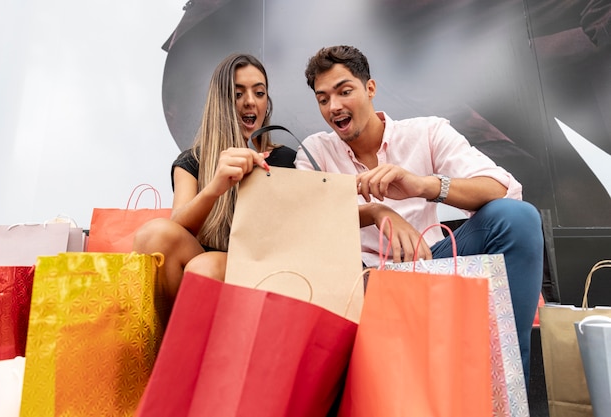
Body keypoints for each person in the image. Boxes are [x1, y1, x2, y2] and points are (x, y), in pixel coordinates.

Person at [295, 44, 543, 385]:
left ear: (370, 88)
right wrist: (376, 211)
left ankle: (508, 388)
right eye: (323, 99)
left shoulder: (427, 132)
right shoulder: (314, 153)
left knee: (517, 218)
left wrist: (423, 186)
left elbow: (502, 188)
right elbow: (306, 220)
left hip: (432, 264)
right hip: (361, 281)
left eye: (344, 91)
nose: (334, 106)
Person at [133, 53, 296, 310]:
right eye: (238, 93)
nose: (250, 102)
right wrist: (216, 187)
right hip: (202, 262)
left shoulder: (285, 159)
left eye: (259, 93)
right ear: (221, 101)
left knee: (203, 267)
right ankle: (170, 343)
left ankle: (185, 346)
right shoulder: (192, 161)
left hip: (265, 270)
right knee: (154, 234)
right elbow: (177, 228)